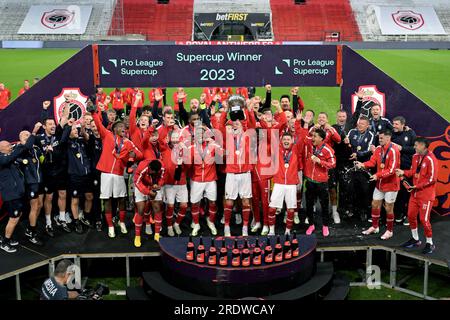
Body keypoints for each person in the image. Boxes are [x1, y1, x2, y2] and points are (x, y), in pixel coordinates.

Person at [92, 107, 142, 238]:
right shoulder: (107, 135)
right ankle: (110, 226)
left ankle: (121, 222)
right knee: (107, 199)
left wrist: (133, 155)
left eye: (124, 128)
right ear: (114, 129)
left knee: (122, 199)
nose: (123, 129)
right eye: (120, 127)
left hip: (120, 174)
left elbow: (140, 154)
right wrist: (93, 112)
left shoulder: (128, 142)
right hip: (106, 173)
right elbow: (98, 124)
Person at [218, 96, 256, 237]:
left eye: (238, 124)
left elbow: (252, 123)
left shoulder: (247, 135)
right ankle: (227, 226)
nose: (235, 124)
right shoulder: (227, 138)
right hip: (232, 174)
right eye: (233, 124)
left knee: (246, 201)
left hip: (245, 173)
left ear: (243, 126)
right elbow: (220, 125)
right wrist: (225, 110)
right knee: (229, 201)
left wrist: (248, 109)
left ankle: (245, 227)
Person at [396, 137, 438, 254]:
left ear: (423, 146)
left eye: (416, 145)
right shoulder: (415, 157)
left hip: (426, 195)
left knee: (424, 220)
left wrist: (417, 186)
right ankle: (415, 239)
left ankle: (430, 243)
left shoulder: (431, 159)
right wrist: (403, 172)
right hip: (414, 194)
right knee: (410, 216)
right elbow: (413, 172)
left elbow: (432, 179)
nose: (414, 147)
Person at [357, 129, 400, 240]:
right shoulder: (378, 149)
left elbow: (392, 170)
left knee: (388, 208)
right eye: (379, 138)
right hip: (380, 184)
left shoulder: (394, 151)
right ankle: (375, 227)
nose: (379, 140)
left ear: (388, 138)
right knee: (375, 204)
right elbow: (372, 162)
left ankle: (389, 231)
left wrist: (377, 175)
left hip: (391, 185)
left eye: (381, 138)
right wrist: (363, 164)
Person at [37, 101, 71, 236]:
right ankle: (48, 222)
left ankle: (62, 219)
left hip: (61, 170)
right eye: (49, 124)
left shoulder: (58, 133)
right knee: (49, 197)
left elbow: (64, 117)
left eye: (53, 124)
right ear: (44, 126)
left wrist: (67, 103)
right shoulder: (39, 139)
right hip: (48, 172)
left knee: (62, 194)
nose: (52, 126)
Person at [186, 124, 223, 236]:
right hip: (197, 180)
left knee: (212, 202)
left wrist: (215, 145)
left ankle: (210, 222)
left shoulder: (212, 145)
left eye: (202, 133)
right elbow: (187, 166)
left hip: (210, 179)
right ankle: (196, 223)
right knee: (195, 203)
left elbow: (222, 157)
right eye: (198, 134)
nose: (200, 135)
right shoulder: (191, 148)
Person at [302, 121, 336, 237]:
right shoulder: (310, 145)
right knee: (309, 205)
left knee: (324, 205)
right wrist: (312, 129)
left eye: (315, 136)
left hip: (322, 183)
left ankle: (325, 225)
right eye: (313, 136)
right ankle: (311, 224)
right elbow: (305, 137)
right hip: (310, 182)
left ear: (321, 138)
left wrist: (320, 161)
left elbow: (333, 164)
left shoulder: (328, 149)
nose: (313, 138)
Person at [0, 137, 33, 253]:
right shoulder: (2, 158)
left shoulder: (9, 158)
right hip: (11, 194)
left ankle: (6, 236)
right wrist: (20, 146)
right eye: (9, 145)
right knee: (13, 218)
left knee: (16, 216)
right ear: (2, 149)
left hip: (17, 193)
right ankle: (5, 243)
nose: (11, 147)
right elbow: (11, 156)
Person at [268, 132, 301, 235]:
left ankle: (287, 231)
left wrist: (300, 124)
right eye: (284, 139)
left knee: (291, 209)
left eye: (288, 139)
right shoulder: (277, 150)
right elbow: (271, 134)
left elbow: (302, 136)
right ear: (281, 141)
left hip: (291, 184)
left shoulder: (295, 149)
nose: (286, 141)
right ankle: (271, 230)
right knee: (272, 208)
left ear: (292, 141)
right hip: (279, 183)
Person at [17, 125, 45, 245]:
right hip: (30, 183)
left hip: (39, 181)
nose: (29, 138)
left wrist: (45, 153)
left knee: (39, 205)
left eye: (29, 136)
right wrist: (33, 132)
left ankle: (31, 226)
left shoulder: (35, 149)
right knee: (34, 207)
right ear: (20, 139)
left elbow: (42, 160)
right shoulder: (20, 148)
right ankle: (31, 233)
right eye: (26, 136)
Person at [66, 121, 94, 234]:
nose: (75, 131)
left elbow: (88, 138)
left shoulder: (81, 141)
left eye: (76, 129)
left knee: (89, 196)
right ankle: (76, 221)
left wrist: (82, 128)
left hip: (87, 175)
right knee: (75, 199)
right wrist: (68, 125)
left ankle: (85, 216)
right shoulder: (67, 143)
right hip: (75, 176)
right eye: (73, 130)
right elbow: (62, 134)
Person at [346, 116, 375, 220]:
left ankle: (363, 210)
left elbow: (369, 150)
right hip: (352, 166)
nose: (359, 125)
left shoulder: (371, 135)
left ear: (367, 126)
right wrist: (347, 144)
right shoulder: (352, 132)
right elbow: (347, 145)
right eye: (359, 123)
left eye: (362, 124)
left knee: (364, 189)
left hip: (364, 167)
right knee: (350, 188)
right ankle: (351, 208)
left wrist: (357, 154)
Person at [161, 130, 189, 236]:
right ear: (169, 138)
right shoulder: (164, 149)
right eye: (173, 137)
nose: (175, 140)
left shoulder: (183, 149)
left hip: (181, 182)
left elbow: (189, 165)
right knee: (170, 206)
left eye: (177, 137)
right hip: (169, 183)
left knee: (184, 205)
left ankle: (177, 224)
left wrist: (185, 152)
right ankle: (169, 227)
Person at [391, 116, 416, 225]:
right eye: (393, 124)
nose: (394, 126)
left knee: (406, 193)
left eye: (396, 124)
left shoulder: (410, 133)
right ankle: (398, 214)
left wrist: (402, 148)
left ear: (403, 125)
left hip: (406, 169)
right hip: (394, 169)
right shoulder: (391, 134)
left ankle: (407, 215)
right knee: (396, 192)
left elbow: (416, 149)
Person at [134, 159, 164, 244]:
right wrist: (147, 192)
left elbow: (162, 178)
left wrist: (158, 185)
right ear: (149, 167)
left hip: (152, 185)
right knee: (141, 209)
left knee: (157, 207)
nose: (152, 173)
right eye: (151, 171)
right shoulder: (142, 167)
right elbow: (137, 181)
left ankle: (157, 235)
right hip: (141, 185)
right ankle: (137, 236)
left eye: (155, 172)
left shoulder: (162, 167)